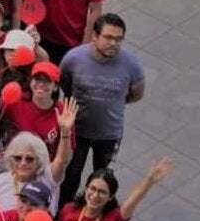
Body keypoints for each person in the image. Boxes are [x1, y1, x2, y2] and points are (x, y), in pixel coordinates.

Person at [56, 13, 144, 202]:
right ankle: (64, 212)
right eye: (108, 37)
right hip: (76, 130)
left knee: (102, 179)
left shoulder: (132, 64)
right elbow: (64, 83)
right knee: (71, 173)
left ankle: (95, 216)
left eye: (118, 39)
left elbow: (136, 93)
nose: (113, 43)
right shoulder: (73, 59)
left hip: (109, 134)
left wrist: (114, 102)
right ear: (94, 36)